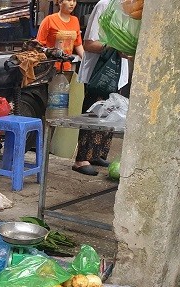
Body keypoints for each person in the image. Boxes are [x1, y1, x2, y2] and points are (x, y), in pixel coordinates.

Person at [72, 0, 129, 176]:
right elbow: (89, 43)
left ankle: (97, 154)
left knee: (110, 112)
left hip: (117, 72)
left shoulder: (129, 10)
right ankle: (81, 159)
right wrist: (116, 47)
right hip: (99, 73)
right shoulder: (105, 5)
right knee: (92, 113)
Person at [35, 0, 84, 71]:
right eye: (69, 0)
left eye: (74, 1)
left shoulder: (75, 20)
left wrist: (86, 61)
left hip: (67, 66)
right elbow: (38, 45)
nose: (72, 4)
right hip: (50, 68)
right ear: (60, 2)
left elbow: (78, 44)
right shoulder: (49, 20)